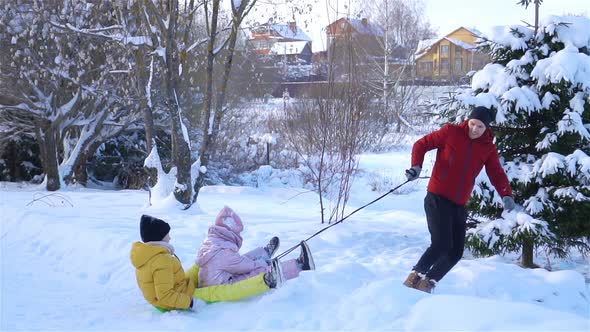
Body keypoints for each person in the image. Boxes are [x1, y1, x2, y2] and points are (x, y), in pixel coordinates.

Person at [402, 106, 515, 294]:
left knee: (456, 252)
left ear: (487, 128)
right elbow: (421, 144)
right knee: (441, 244)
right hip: (437, 197)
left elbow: (496, 172)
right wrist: (416, 166)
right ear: (467, 121)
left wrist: (506, 194)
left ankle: (427, 284)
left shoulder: (487, 147)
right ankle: (414, 278)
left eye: (480, 127)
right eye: (473, 124)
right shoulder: (451, 133)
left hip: (459, 204)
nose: (475, 129)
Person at [130, 215, 273, 312]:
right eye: (167, 234)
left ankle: (261, 254)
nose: (170, 237)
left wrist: (203, 260)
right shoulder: (160, 260)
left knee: (204, 263)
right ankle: (264, 280)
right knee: (222, 291)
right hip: (174, 301)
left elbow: (168, 282)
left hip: (179, 286)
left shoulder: (151, 254)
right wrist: (190, 302)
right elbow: (165, 296)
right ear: (159, 237)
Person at [196, 206, 315, 289]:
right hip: (222, 286)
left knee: (243, 258)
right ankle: (300, 265)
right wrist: (263, 264)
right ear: (230, 231)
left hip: (216, 278)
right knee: (259, 272)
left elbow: (235, 262)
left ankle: (264, 252)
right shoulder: (224, 251)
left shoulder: (213, 242)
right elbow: (246, 267)